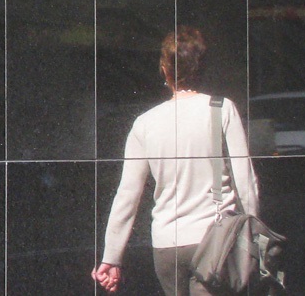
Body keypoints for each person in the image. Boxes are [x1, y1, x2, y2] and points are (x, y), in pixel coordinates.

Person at [93, 27, 259, 294]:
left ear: (164, 69)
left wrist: (111, 257)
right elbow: (245, 181)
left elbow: (127, 196)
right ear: (201, 67)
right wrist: (254, 237)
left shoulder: (144, 123)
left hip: (167, 246)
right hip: (215, 242)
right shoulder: (221, 109)